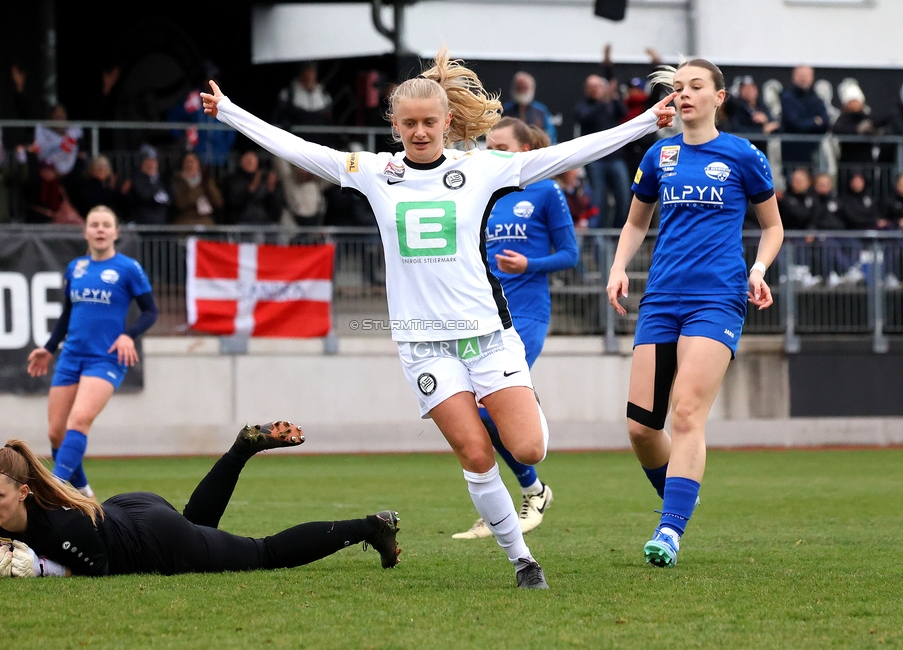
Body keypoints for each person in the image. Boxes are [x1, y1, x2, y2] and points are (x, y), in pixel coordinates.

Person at [201, 47, 675, 588]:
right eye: (409, 124)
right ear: (395, 126)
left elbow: (565, 155)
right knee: (475, 452)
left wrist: (640, 123)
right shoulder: (375, 172)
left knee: (528, 448)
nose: (420, 132)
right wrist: (231, 111)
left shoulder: (483, 167)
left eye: (429, 122)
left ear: (448, 122)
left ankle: (526, 404)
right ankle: (524, 561)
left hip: (488, 336)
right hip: (423, 344)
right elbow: (301, 149)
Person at [606, 58, 784, 568]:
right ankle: (683, 490)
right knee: (641, 428)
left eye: (695, 86)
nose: (684, 94)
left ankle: (670, 528)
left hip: (717, 298)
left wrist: (758, 269)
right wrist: (619, 266)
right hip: (661, 297)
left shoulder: (743, 155)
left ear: (718, 97)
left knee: (686, 413)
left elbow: (772, 227)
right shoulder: (659, 155)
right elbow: (637, 222)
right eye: (678, 87)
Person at [0, 426, 401, 577]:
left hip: (156, 538)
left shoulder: (62, 528)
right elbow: (8, 542)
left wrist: (40, 568)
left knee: (265, 553)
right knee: (197, 528)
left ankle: (372, 526)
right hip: (135, 508)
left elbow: (98, 569)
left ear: (24, 492)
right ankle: (240, 451)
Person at [452, 118, 577, 540]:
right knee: (475, 415)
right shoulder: (486, 192)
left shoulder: (545, 190)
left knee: (489, 409)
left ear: (525, 152)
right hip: (483, 315)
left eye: (501, 147)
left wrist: (529, 265)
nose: (492, 153)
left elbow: (570, 254)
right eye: (489, 146)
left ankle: (527, 490)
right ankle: (531, 491)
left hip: (526, 315)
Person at [26, 206, 159, 500]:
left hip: (106, 358)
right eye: (94, 224)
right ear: (85, 231)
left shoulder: (128, 268)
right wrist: (48, 349)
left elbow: (151, 311)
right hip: (71, 356)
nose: (100, 229)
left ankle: (55, 490)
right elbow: (67, 314)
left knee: (79, 421)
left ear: (115, 232)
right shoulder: (75, 268)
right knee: (56, 433)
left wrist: (128, 335)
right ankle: (84, 493)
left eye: (106, 225)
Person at [575, 73, 631, 228]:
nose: (595, 90)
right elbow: (585, 118)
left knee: (624, 199)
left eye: (598, 86)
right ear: (586, 90)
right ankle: (599, 244)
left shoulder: (611, 103)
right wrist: (602, 101)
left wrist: (613, 96)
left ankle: (618, 236)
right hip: (595, 161)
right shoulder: (583, 106)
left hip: (616, 158)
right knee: (598, 202)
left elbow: (624, 113)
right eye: (591, 87)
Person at [779, 66, 829, 164]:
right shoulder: (788, 98)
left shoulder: (816, 99)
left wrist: (808, 123)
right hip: (792, 153)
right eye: (801, 75)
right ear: (794, 77)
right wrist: (815, 122)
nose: (804, 79)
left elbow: (825, 121)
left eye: (807, 76)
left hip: (814, 152)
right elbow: (795, 124)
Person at [223, 149, 281, 225]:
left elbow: (276, 212)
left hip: (264, 225)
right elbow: (233, 205)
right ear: (240, 160)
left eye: (252, 158)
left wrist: (271, 191)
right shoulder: (232, 180)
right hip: (240, 223)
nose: (250, 162)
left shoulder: (266, 179)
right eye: (247, 158)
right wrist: (252, 188)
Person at [500, 72, 558, 144]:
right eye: (519, 88)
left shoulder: (540, 111)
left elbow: (550, 134)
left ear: (532, 89)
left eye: (524, 88)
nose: (522, 91)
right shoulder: (505, 110)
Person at [172, 151, 223, 225]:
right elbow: (181, 204)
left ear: (198, 163)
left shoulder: (207, 181)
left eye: (193, 161)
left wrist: (208, 186)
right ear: (182, 164)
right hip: (185, 222)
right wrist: (200, 186)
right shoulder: (178, 181)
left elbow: (218, 202)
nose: (190, 165)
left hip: (206, 221)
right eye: (187, 161)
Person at [126, 145, 171, 226]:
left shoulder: (164, 179)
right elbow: (143, 196)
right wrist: (155, 195)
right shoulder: (135, 179)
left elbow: (171, 197)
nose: (150, 165)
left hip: (162, 222)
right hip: (142, 222)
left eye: (153, 161)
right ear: (141, 164)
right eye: (147, 162)